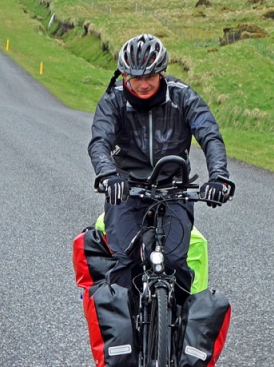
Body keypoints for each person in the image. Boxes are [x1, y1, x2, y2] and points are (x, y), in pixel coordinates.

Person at [88, 33, 231, 298]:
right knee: (125, 265)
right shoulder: (113, 101)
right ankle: (126, 334)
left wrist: (219, 177)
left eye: (150, 76)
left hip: (174, 191)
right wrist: (109, 176)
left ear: (162, 73)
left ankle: (177, 330)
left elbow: (209, 135)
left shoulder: (183, 97)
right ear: (123, 76)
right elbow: (99, 142)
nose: (143, 84)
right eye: (135, 77)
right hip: (127, 192)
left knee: (176, 263)